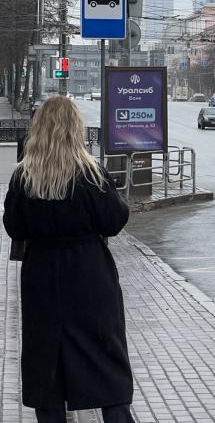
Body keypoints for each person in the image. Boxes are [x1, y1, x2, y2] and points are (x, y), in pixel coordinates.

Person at [3, 96, 135, 422]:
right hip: (90, 275)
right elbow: (114, 220)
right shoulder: (91, 174)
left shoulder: (25, 177)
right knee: (106, 362)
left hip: (42, 276)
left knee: (46, 364)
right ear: (75, 129)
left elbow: (14, 226)